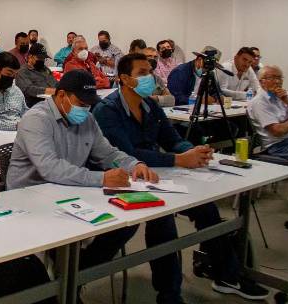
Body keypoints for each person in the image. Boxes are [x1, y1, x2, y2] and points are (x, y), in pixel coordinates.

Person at [93, 53, 270, 301]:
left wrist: (191, 151)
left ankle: (227, 275)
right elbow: (126, 154)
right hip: (121, 178)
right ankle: (169, 294)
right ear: (124, 79)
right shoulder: (107, 110)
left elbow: (171, 139)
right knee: (162, 221)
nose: (149, 77)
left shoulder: (150, 105)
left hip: (157, 173)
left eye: (150, 71)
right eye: (142, 73)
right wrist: (177, 159)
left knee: (206, 209)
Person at [7, 70, 160, 302]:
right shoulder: (36, 120)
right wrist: (101, 179)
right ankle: (59, 284)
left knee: (125, 224)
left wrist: (133, 165)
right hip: (31, 200)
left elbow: (107, 153)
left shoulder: (87, 119)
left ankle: (73, 278)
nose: (86, 109)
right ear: (61, 95)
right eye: (81, 103)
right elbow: (51, 169)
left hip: (71, 195)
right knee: (73, 231)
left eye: (89, 104)